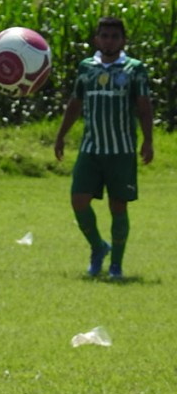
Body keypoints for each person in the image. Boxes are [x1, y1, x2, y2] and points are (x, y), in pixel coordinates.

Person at [54, 16, 154, 280]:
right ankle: (98, 247)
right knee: (78, 200)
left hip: (121, 151)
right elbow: (75, 103)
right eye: (105, 36)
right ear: (97, 39)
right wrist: (61, 135)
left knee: (118, 206)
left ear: (123, 41)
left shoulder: (134, 69)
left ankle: (116, 266)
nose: (109, 41)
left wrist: (148, 140)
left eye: (114, 36)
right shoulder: (86, 67)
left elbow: (144, 107)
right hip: (91, 149)